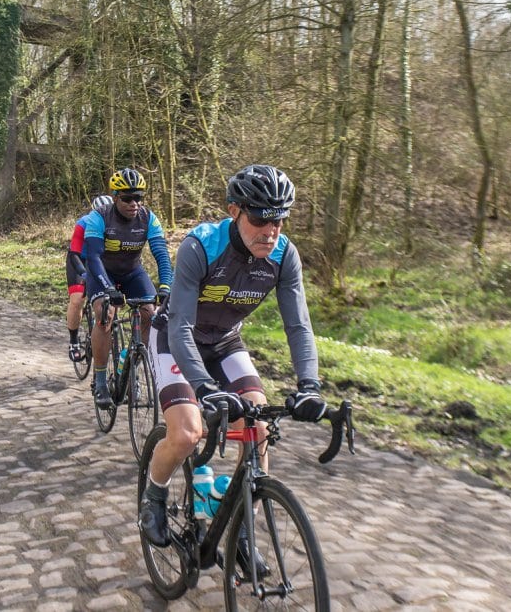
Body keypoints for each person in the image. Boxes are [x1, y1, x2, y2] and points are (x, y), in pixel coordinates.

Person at [138, 164, 330, 576]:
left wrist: (310, 385)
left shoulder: (284, 256)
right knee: (188, 432)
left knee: (259, 426)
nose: (270, 230)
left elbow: (298, 326)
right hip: (175, 338)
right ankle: (153, 496)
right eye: (259, 218)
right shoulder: (200, 247)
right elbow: (182, 326)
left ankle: (243, 528)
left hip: (225, 341)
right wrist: (205, 387)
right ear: (234, 211)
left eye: (279, 219)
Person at [84, 168, 173, 408]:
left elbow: (162, 255)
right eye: (127, 198)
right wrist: (108, 289)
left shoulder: (148, 218)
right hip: (103, 272)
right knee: (105, 313)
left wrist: (165, 284)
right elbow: (92, 257)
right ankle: (101, 381)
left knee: (151, 315)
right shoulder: (99, 217)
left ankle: (127, 360)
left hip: (133, 271)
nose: (134, 203)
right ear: (115, 197)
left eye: (139, 197)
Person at [66, 194, 114, 361]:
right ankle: (73, 342)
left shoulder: (119, 223)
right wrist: (84, 274)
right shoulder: (84, 223)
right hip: (80, 259)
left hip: (102, 261)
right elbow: (74, 254)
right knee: (78, 299)